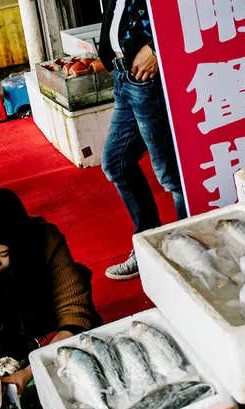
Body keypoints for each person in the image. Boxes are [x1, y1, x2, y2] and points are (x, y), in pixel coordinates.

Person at [0, 189, 102, 399]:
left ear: (19, 244)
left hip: (41, 304)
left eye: (3, 254)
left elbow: (75, 313)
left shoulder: (45, 239)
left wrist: (33, 369)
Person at [99, 0, 186, 282]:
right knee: (116, 162)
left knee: (172, 175)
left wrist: (157, 47)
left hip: (149, 77)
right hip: (125, 75)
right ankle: (148, 244)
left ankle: (190, 253)